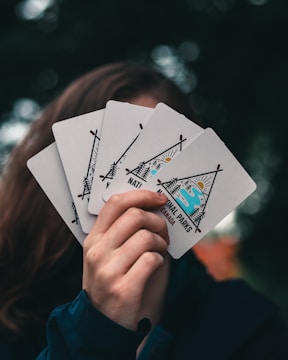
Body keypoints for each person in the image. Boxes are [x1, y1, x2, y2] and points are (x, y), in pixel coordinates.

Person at [0, 62, 287, 360]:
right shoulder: (13, 317)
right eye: (111, 171)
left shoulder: (247, 325)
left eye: (155, 165)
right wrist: (96, 326)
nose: (131, 196)